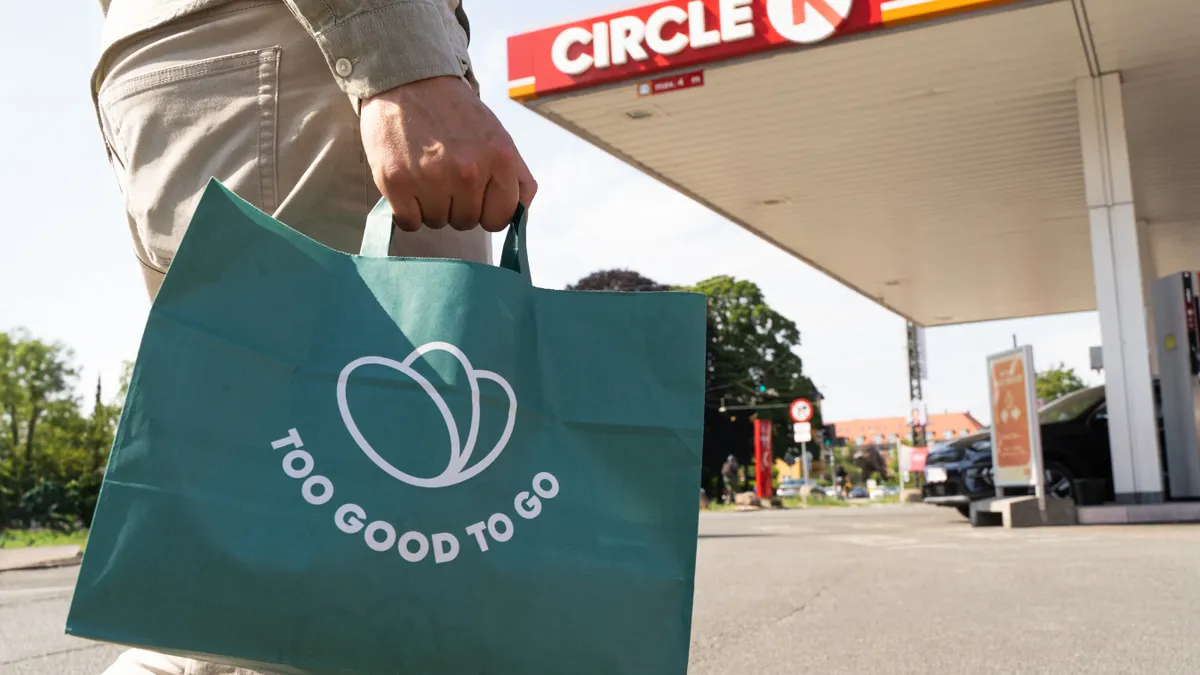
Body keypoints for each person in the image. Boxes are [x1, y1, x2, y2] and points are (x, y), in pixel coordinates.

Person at [93, 1, 535, 673]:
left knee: (248, 564)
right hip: (303, 60)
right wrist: (403, 66)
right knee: (369, 589)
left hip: (186, 75)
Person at [93, 0, 536, 300]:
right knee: (398, 413)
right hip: (302, 46)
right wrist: (401, 63)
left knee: (261, 420)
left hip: (164, 63)